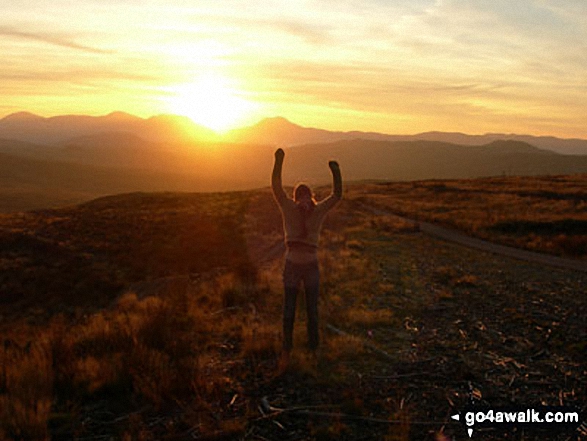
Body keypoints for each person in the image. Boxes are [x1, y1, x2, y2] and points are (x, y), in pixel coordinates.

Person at [271, 147, 342, 362]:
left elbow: (276, 187)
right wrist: (335, 171)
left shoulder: (291, 208)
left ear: (298, 196)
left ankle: (292, 348)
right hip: (307, 265)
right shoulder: (313, 209)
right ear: (308, 196)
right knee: (306, 309)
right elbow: (337, 195)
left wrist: (279, 160)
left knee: (295, 310)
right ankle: (307, 348)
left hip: (295, 264)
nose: (301, 201)